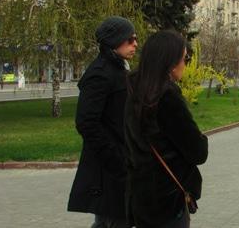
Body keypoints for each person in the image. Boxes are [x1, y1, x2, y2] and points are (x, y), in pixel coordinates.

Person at [124, 30, 208, 227]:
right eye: (184, 58)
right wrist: (202, 138)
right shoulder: (167, 97)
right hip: (167, 202)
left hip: (140, 198)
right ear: (170, 63)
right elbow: (198, 152)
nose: (185, 64)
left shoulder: (133, 91)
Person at [68, 16, 138, 228]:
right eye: (130, 39)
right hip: (109, 169)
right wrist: (115, 159)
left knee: (112, 220)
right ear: (115, 41)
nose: (135, 43)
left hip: (120, 163)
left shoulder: (118, 69)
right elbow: (86, 122)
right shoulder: (100, 74)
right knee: (115, 219)